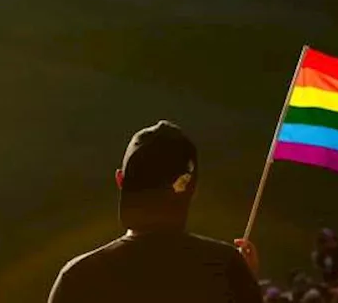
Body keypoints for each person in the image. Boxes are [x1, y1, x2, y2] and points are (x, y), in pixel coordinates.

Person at [48, 120, 262, 303]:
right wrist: (245, 283)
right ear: (193, 188)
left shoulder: (78, 278)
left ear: (120, 180)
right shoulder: (227, 270)